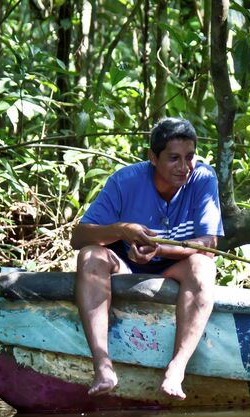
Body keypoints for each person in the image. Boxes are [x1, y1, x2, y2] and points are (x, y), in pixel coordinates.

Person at [70, 118, 224, 400]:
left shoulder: (203, 178)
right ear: (153, 157)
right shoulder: (124, 181)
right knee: (90, 255)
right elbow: (78, 238)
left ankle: (176, 370)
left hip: (175, 265)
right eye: (174, 158)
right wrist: (122, 230)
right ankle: (103, 366)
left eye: (190, 157)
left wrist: (160, 250)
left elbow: (209, 243)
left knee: (204, 265)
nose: (184, 167)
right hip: (125, 265)